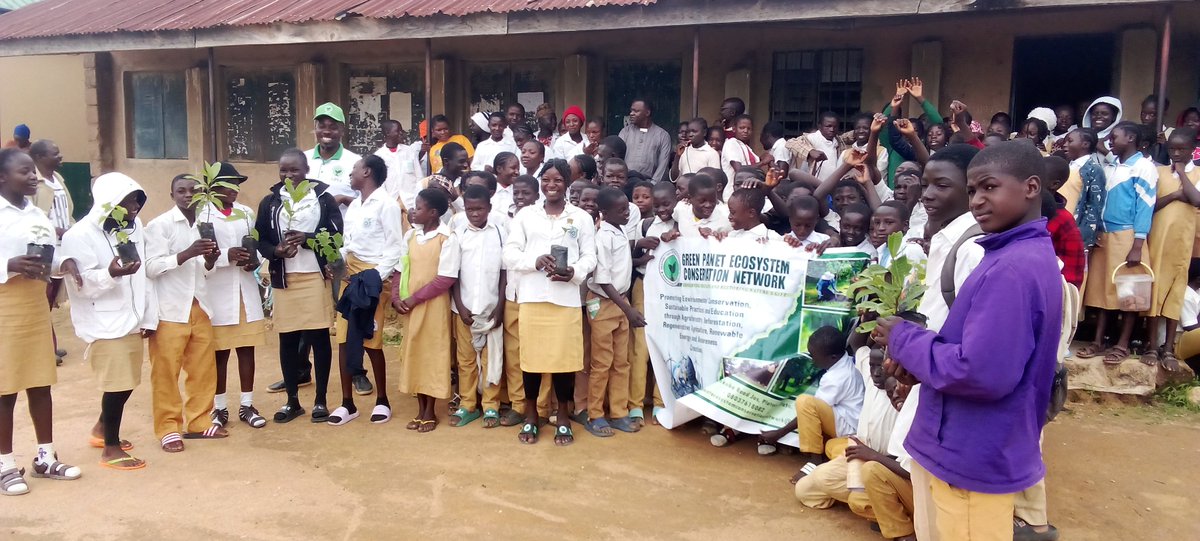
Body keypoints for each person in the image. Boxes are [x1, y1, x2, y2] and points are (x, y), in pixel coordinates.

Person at [876, 141, 1063, 541]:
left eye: (990, 188)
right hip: (950, 440)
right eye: (974, 189)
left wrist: (903, 338)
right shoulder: (1007, 253)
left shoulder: (1012, 268)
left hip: (970, 450)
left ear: (1031, 187)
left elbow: (979, 372)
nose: (977, 200)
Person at [0, 148, 81, 494]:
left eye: (34, 171)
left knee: (40, 382)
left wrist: (66, 264)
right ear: (3, 177)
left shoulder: (37, 214)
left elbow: (49, 253)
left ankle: (45, 457)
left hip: (35, 305)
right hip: (5, 305)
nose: (34, 176)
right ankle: (4, 463)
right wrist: (9, 264)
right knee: (5, 388)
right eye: (25, 172)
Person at [60, 172, 153, 471]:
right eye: (127, 202)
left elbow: (142, 274)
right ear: (108, 203)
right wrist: (111, 274)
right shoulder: (80, 235)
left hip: (132, 316)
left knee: (128, 381)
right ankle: (110, 448)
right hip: (103, 321)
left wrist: (148, 314)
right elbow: (80, 285)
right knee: (117, 384)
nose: (134, 207)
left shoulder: (133, 226)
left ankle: (102, 429)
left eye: (137, 200)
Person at [502, 159, 596, 446]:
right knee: (531, 361)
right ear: (540, 182)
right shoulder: (526, 216)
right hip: (532, 297)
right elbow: (509, 254)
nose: (551, 185)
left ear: (567, 183)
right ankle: (531, 416)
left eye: (557, 180)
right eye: (546, 180)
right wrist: (535, 261)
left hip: (565, 299)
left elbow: (590, 257)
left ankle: (564, 418)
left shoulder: (580, 217)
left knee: (564, 362)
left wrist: (574, 272)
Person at [257, 148, 342, 422]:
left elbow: (336, 235)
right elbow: (261, 240)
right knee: (288, 339)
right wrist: (277, 251)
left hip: (314, 277)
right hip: (285, 279)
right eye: (284, 170)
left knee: (319, 339)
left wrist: (306, 238)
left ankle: (320, 401)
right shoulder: (271, 202)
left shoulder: (322, 200)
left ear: (307, 171)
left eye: (294, 170)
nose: (288, 175)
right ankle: (292, 401)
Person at [145, 174, 224, 450]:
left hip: (200, 305)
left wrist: (210, 260)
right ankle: (168, 428)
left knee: (202, 368)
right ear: (172, 195)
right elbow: (151, 267)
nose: (188, 194)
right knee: (166, 371)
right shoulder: (159, 226)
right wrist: (187, 253)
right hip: (169, 309)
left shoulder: (204, 225)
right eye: (181, 190)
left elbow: (203, 271)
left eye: (194, 190)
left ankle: (200, 421)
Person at [327, 156, 403, 426]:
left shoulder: (387, 205)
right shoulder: (356, 205)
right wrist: (335, 259)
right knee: (345, 339)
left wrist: (374, 278)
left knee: (371, 338)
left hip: (371, 279)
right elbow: (349, 244)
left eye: (355, 169)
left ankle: (382, 400)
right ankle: (347, 403)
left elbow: (395, 247)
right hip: (350, 277)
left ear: (367, 172)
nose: (350, 172)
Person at [1077, 122, 1158, 364]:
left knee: (1129, 293)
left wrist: (1137, 244)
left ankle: (1122, 345)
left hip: (1128, 236)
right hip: (1105, 235)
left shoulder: (1144, 167)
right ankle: (1098, 341)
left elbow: (1145, 206)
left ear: (1131, 138)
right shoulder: (1113, 166)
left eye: (1115, 136)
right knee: (1103, 291)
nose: (1110, 141)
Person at [205, 163, 267, 430]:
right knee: (219, 353)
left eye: (237, 185)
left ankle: (247, 404)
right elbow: (202, 254)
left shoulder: (245, 213)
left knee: (246, 348)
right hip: (217, 290)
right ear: (213, 187)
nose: (234, 190)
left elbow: (256, 246)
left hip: (244, 288)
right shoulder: (203, 215)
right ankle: (219, 408)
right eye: (228, 185)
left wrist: (255, 262)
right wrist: (224, 256)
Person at [392, 188, 460, 432]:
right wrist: (396, 297)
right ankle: (420, 408)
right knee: (415, 353)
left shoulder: (446, 238)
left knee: (431, 353)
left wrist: (414, 299)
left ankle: (430, 410)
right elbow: (401, 268)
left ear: (432, 213)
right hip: (410, 305)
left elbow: (445, 279)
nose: (412, 211)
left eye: (418, 208)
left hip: (432, 306)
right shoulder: (411, 236)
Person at [449, 185, 515, 428]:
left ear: (489, 208)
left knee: (492, 360)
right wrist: (459, 305)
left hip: (491, 308)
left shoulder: (499, 232)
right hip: (463, 309)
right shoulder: (459, 233)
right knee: (465, 360)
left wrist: (499, 307)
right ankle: (467, 404)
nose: (474, 213)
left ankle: (491, 406)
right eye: (469, 209)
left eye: (479, 209)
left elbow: (504, 272)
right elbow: (452, 273)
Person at [584, 187, 646, 437]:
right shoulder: (603, 237)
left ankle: (619, 411)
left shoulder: (619, 231)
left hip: (621, 303)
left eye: (627, 208)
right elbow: (603, 278)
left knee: (621, 362)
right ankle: (595, 414)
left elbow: (623, 263)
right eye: (621, 210)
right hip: (605, 303)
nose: (627, 213)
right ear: (605, 212)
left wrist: (643, 256)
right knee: (601, 362)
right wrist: (628, 309)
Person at [1142, 129, 1200, 371]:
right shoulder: (1158, 172)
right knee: (1156, 290)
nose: (1176, 153)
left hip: (1181, 243)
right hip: (1159, 240)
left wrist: (1182, 176)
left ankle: (1168, 349)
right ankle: (1152, 346)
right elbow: (1152, 205)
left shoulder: (1196, 173)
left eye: (1181, 149)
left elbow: (1196, 199)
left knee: (1175, 292)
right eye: (1172, 149)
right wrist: (1177, 194)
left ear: (1192, 149)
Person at [785, 326, 865, 482]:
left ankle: (814, 461)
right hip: (849, 424)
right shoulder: (846, 362)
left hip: (849, 428)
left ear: (833, 357)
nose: (813, 360)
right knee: (832, 447)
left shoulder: (836, 377)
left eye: (815, 356)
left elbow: (811, 411)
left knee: (805, 403)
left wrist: (779, 433)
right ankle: (830, 455)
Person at [629, 182, 677, 426]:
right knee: (640, 346)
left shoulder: (683, 225)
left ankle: (661, 401)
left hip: (673, 294)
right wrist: (640, 247)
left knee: (667, 346)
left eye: (666, 204)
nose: (661, 209)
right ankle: (635, 403)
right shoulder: (645, 224)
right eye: (656, 205)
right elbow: (634, 259)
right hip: (644, 287)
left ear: (677, 200)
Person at [29, 139, 73, 365]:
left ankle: (49, 345)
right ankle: (46, 349)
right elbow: (31, 217)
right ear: (39, 158)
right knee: (41, 299)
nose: (60, 156)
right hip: (44, 250)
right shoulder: (33, 183)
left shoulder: (58, 181)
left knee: (52, 298)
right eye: (54, 153)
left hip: (61, 247)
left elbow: (67, 212)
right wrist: (55, 230)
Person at [1057, 127, 1107, 249]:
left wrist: (1084, 235)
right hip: (1059, 226)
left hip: (1074, 231)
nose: (1065, 145)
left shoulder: (1093, 169)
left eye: (1070, 141)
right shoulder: (1067, 166)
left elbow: (1094, 205)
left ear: (1085, 144)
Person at [1041, 157, 1086, 290]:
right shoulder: (1023, 209)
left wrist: (1064, 296)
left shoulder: (1064, 221)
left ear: (1054, 184)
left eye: (1039, 176)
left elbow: (1072, 270)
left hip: (1051, 289)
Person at [306, 103, 361, 210]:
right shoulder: (303, 159)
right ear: (315, 128)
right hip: (306, 227)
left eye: (333, 127)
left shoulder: (356, 162)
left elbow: (369, 204)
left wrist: (344, 199)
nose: (326, 131)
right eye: (321, 126)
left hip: (343, 226)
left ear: (342, 131)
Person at [619, 99, 673, 182]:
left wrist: (653, 183)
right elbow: (617, 158)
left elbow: (663, 164)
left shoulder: (662, 136)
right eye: (631, 110)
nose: (631, 114)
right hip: (626, 181)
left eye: (636, 111)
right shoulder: (625, 132)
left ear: (647, 113)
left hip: (648, 183)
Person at [375, 119, 423, 211]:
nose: (401, 133)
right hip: (391, 201)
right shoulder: (379, 156)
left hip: (411, 200)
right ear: (387, 133)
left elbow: (419, 177)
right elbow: (379, 183)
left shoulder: (409, 151)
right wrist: (386, 201)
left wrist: (418, 197)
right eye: (398, 131)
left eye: (401, 131)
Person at [670, 173, 731, 238]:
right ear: (690, 198)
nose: (708, 205)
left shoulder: (725, 218)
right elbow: (677, 219)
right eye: (702, 201)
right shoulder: (681, 208)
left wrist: (713, 234)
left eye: (713, 200)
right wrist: (673, 231)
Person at [720, 114, 758, 199]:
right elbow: (740, 170)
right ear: (734, 129)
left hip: (748, 194)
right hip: (733, 194)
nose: (745, 131)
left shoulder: (747, 147)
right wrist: (763, 162)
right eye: (742, 128)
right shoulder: (731, 143)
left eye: (749, 129)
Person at [491, 151, 520, 217]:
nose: (517, 172)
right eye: (513, 168)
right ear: (499, 169)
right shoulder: (488, 189)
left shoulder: (520, 191)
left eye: (518, 169)